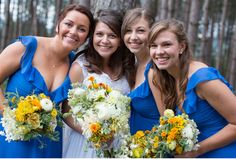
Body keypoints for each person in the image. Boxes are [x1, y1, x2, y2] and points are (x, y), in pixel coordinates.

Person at [0, 4, 94, 158]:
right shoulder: (25, 48)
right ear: (58, 25)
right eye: (68, 24)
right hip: (13, 139)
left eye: (82, 29)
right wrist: (10, 117)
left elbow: (67, 112)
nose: (73, 32)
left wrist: (93, 131)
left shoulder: (75, 65)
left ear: (86, 37)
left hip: (49, 147)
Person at [148, 19, 236, 157]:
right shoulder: (169, 77)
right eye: (153, 46)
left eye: (166, 44)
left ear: (182, 47)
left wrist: (198, 149)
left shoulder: (203, 79)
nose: (159, 52)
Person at [62, 9, 135, 158]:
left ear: (120, 41)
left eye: (112, 36)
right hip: (85, 142)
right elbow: (65, 111)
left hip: (117, 144)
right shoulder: (80, 67)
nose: (105, 40)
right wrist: (95, 134)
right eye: (100, 34)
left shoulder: (128, 69)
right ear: (92, 37)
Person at [121, 8, 163, 135]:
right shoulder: (132, 66)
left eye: (140, 31)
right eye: (128, 31)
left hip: (154, 148)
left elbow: (167, 119)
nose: (133, 37)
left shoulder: (155, 70)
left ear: (152, 33)